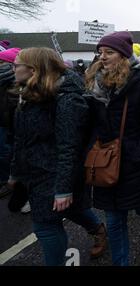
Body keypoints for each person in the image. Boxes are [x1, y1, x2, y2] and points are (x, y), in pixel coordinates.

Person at [11, 47, 107, 265]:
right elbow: (21, 138)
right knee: (72, 211)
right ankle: (97, 228)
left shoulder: (66, 100)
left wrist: (63, 187)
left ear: (34, 69)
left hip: (57, 172)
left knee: (45, 226)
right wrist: (16, 172)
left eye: (17, 65)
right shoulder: (27, 94)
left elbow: (68, 145)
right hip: (36, 171)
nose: (12, 69)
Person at [84, 32, 140, 265]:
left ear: (123, 55)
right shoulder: (95, 83)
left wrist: (139, 153)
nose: (102, 57)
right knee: (114, 218)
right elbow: (92, 121)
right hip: (106, 159)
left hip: (135, 158)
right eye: (100, 52)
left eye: (109, 52)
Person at [0, 48, 20, 198]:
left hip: (9, 124)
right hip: (4, 122)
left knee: (7, 152)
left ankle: (8, 180)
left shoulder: (16, 81)